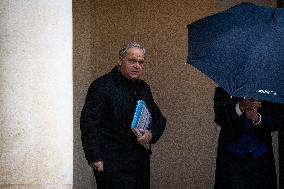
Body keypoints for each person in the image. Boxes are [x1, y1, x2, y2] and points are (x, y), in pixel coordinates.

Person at [80, 42, 166, 189]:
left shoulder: (143, 87)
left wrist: (150, 135)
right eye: (132, 61)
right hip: (111, 163)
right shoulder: (102, 86)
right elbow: (89, 123)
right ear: (120, 61)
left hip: (139, 162)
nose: (137, 66)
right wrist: (95, 157)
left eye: (141, 62)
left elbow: (159, 119)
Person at [213, 86, 282, 189]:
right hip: (232, 160)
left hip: (260, 160)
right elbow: (220, 118)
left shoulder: (269, 90)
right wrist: (240, 106)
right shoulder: (224, 89)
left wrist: (258, 118)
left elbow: (277, 121)